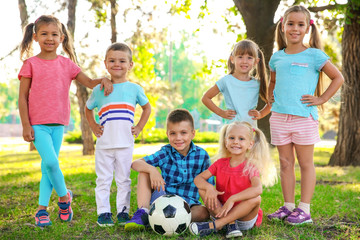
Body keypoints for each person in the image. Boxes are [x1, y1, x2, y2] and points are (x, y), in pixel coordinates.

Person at [18, 15, 113, 227]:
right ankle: (64, 198)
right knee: (52, 163)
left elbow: (88, 82)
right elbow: (22, 97)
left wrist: (104, 79)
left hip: (58, 124)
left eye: (54, 34)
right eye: (44, 34)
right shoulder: (30, 64)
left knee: (47, 168)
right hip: (37, 124)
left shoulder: (66, 64)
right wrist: (25, 124)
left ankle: (41, 210)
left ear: (61, 38)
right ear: (35, 37)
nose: (49, 38)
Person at [266, 5, 344, 225]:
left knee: (305, 163)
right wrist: (271, 97)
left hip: (304, 118)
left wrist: (320, 99)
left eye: (300, 24)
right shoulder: (276, 57)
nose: (295, 28)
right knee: (285, 163)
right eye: (291, 23)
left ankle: (305, 210)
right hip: (279, 118)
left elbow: (338, 78)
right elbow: (272, 81)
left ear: (307, 28)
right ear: (283, 26)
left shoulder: (314, 55)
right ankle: (289, 206)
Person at [85, 42, 151, 227]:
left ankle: (123, 211)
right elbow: (87, 108)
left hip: (125, 143)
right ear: (106, 63)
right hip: (104, 144)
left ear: (130, 65)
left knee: (123, 179)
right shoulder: (99, 90)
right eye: (112, 60)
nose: (117, 64)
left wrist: (139, 127)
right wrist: (93, 126)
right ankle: (103, 212)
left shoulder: (134, 89)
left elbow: (147, 108)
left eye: (122, 61)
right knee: (103, 180)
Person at [124, 109, 214, 231]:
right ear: (167, 134)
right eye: (173, 133)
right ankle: (143, 212)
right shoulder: (165, 152)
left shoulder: (202, 156)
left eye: (183, 133)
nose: (178, 138)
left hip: (188, 204)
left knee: (203, 212)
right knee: (144, 172)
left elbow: (210, 185)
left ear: (193, 134)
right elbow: (135, 163)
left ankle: (165, 220)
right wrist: (152, 170)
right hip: (162, 197)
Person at [189, 121, 277, 238]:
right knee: (203, 190)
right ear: (226, 142)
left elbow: (258, 189)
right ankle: (229, 224)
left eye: (241, 139)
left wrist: (233, 199)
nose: (235, 141)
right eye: (231, 138)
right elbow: (198, 179)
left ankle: (216, 225)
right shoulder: (220, 164)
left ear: (250, 144)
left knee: (256, 198)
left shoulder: (250, 167)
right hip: (221, 211)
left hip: (244, 218)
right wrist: (209, 187)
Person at [202, 39, 271, 126]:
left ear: (256, 62)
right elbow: (206, 98)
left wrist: (261, 114)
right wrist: (221, 112)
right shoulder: (226, 81)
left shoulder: (257, 83)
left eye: (249, 58)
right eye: (240, 57)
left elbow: (273, 102)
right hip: (232, 129)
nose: (244, 61)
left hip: (250, 130)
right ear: (232, 59)